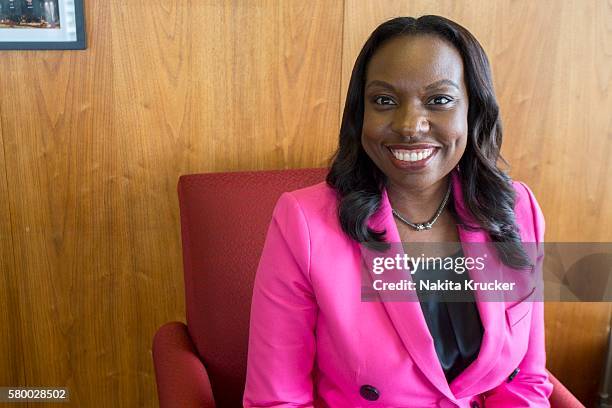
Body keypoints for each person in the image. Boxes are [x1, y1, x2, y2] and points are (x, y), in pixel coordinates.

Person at [243, 15, 553, 407]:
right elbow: (277, 400)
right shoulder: (304, 223)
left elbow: (525, 379)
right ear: (360, 115)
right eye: (385, 101)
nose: (410, 125)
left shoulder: (517, 208)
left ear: (473, 110)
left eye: (439, 100)